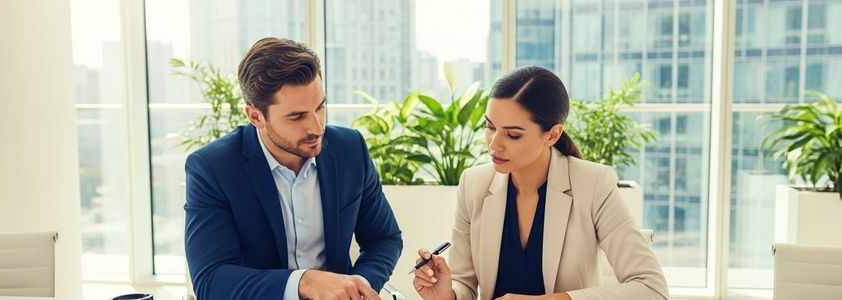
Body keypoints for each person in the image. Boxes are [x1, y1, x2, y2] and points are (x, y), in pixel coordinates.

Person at [411, 66, 669, 300]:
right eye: (490, 127)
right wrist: (448, 295)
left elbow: (651, 288)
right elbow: (464, 284)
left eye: (513, 134)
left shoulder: (593, 184)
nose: (494, 144)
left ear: (552, 134)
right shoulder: (474, 184)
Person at [184, 37, 402, 300]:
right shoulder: (212, 168)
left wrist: (356, 288)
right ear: (255, 116)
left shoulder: (349, 149)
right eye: (297, 116)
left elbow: (384, 238)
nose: (317, 127)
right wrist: (304, 282)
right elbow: (211, 280)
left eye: (320, 107)